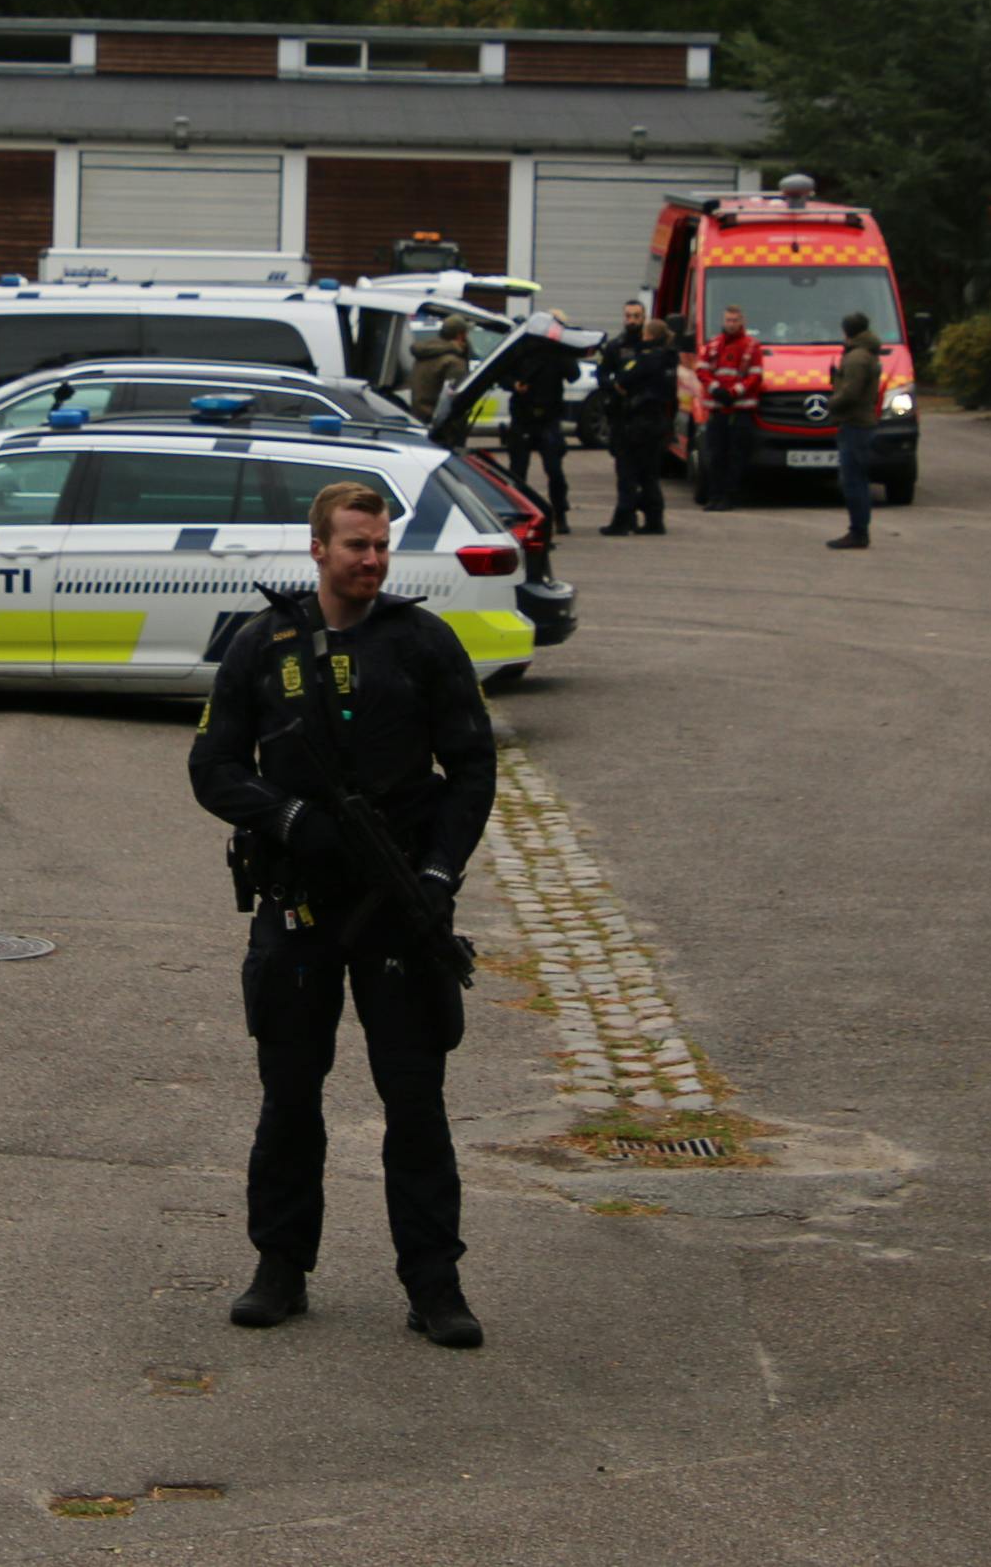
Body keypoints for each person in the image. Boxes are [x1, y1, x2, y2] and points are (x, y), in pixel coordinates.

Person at [189, 480, 499, 1349]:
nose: (370, 559)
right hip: (298, 904)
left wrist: (437, 874)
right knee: (289, 1097)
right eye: (355, 544)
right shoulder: (262, 644)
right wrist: (291, 822)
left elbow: (472, 769)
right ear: (317, 547)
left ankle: (434, 1282)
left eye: (381, 545)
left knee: (416, 1101)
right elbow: (213, 767)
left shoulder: (422, 644)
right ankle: (280, 1267)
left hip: (399, 906)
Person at [597, 316, 677, 534]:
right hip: (657, 423)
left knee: (627, 473)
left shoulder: (646, 358)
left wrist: (620, 386)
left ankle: (621, 522)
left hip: (636, 423)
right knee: (649, 475)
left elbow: (623, 379)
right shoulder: (669, 358)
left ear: (648, 335)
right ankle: (654, 521)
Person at [498, 311, 572, 522]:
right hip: (523, 416)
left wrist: (562, 345)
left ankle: (561, 513)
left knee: (554, 470)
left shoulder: (556, 351)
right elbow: (501, 375)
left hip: (549, 418)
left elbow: (573, 374)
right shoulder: (519, 350)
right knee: (518, 472)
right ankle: (517, 513)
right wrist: (514, 385)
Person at [823, 310, 883, 549]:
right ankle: (859, 530)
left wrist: (831, 402)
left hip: (855, 424)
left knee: (853, 480)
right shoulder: (865, 353)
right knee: (856, 478)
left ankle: (858, 531)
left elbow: (851, 392)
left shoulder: (856, 357)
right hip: (861, 423)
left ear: (847, 331)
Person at [694, 304, 763, 511]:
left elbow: (755, 375)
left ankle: (728, 497)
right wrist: (716, 390)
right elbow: (702, 370)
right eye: (728, 320)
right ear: (723, 321)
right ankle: (714, 496)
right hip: (717, 409)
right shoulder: (714, 344)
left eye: (735, 320)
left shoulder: (752, 346)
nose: (731, 324)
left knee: (735, 457)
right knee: (716, 455)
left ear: (742, 322)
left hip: (740, 411)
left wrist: (734, 392)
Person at [405, 314, 472, 418]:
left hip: (418, 415)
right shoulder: (453, 362)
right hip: (439, 422)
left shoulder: (426, 353)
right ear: (460, 336)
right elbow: (454, 398)